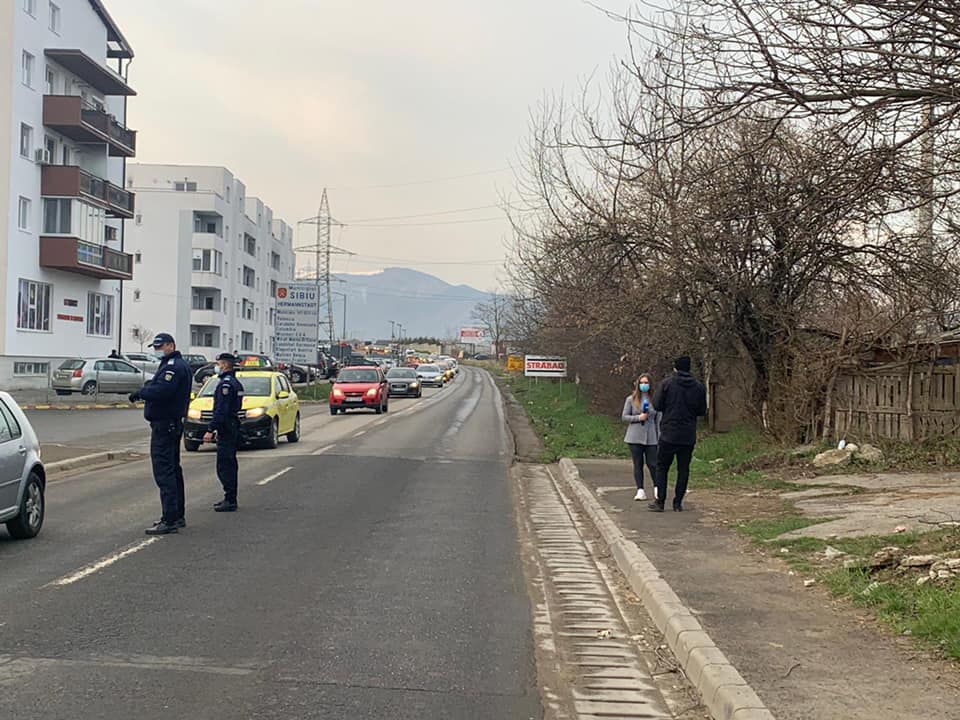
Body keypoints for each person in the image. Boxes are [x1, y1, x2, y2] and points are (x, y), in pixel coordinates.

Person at [128, 333, 192, 535]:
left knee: (164, 471)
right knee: (173, 469)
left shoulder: (173, 366)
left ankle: (170, 518)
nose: (157, 350)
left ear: (171, 345)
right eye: (155, 347)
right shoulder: (173, 364)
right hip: (169, 424)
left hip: (165, 425)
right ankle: (177, 515)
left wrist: (142, 392)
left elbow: (162, 391)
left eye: (161, 346)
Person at [649, 356, 707, 513]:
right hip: (688, 434)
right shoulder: (698, 387)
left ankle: (660, 501)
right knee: (683, 469)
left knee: (662, 467)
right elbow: (702, 410)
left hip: (669, 432)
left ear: (675, 367)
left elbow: (657, 404)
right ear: (690, 368)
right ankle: (678, 503)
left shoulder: (667, 384)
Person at [203, 353, 244, 512]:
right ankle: (230, 497)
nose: (217, 366)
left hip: (226, 427)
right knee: (229, 463)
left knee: (225, 465)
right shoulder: (235, 382)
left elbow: (221, 410)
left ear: (225, 365)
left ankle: (230, 499)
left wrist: (211, 428)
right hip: (232, 426)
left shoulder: (226, 385)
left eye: (218, 363)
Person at [621, 374, 660, 501]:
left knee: (653, 463)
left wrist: (659, 436)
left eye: (646, 383)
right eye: (642, 383)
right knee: (638, 463)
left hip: (651, 436)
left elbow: (659, 420)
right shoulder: (631, 399)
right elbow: (624, 417)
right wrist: (638, 418)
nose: (644, 385)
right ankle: (640, 490)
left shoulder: (655, 400)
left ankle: (657, 487)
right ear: (638, 384)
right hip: (634, 436)